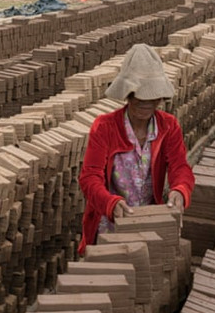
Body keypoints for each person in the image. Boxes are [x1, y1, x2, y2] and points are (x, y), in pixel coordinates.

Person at [78, 43, 195, 254]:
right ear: (127, 95)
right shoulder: (105, 127)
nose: (145, 102)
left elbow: (180, 167)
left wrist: (180, 190)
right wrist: (110, 203)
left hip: (150, 220)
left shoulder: (168, 126)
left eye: (152, 97)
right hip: (110, 223)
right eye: (138, 96)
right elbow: (89, 178)